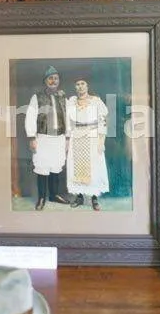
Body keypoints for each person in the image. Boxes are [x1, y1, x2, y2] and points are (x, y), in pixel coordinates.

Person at [25, 66, 70, 210]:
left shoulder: (63, 98)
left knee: (56, 166)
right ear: (45, 81)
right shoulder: (37, 97)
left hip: (59, 137)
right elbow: (30, 117)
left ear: (59, 81)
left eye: (56, 78)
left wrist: (67, 137)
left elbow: (68, 118)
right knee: (42, 167)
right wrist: (32, 137)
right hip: (43, 138)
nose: (53, 81)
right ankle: (42, 197)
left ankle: (54, 195)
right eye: (50, 78)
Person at [67, 79, 109, 211]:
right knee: (77, 166)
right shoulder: (72, 102)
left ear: (87, 86)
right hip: (76, 137)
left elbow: (103, 122)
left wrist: (101, 141)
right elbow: (69, 123)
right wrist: (67, 140)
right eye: (77, 84)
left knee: (94, 166)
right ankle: (79, 196)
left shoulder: (95, 101)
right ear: (75, 87)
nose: (80, 86)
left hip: (92, 137)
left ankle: (94, 198)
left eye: (83, 84)